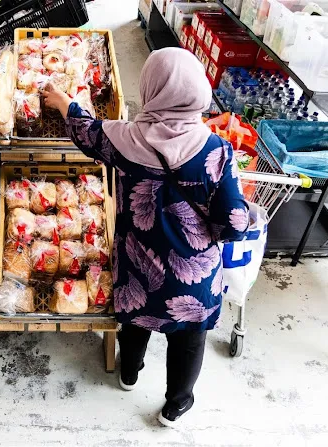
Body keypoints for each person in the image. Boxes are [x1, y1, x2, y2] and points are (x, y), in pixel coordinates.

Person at [43, 48, 249, 427]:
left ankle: (129, 372)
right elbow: (235, 222)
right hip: (195, 277)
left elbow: (85, 131)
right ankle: (176, 403)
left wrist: (63, 102)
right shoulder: (217, 151)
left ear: (152, 89)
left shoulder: (124, 139)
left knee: (135, 322)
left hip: (139, 267)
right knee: (188, 341)